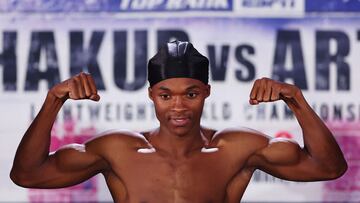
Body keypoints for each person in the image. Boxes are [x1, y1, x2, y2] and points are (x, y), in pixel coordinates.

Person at [10, 41, 347, 203]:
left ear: (207, 92)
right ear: (151, 95)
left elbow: (328, 168)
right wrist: (54, 100)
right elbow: (27, 175)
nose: (178, 107)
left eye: (191, 93)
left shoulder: (235, 148)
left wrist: (296, 101)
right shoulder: (117, 150)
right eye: (165, 95)